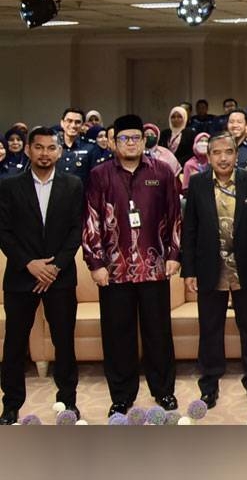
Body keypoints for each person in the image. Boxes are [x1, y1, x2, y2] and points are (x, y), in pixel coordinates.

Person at [82, 114, 181, 416]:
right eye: (124, 138)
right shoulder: (100, 174)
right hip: (113, 270)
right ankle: (122, 396)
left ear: (144, 140)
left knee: (158, 333)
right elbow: (91, 219)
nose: (130, 143)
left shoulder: (162, 172)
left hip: (154, 267)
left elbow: (175, 215)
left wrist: (175, 255)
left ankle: (163, 391)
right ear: (113, 142)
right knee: (117, 335)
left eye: (136, 138)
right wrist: (95, 261)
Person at [0, 127, 84, 425]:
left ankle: (68, 400)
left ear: (59, 152)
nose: (45, 153)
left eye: (51, 148)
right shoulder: (9, 186)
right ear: (27, 150)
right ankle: (11, 405)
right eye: (39, 147)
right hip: (21, 278)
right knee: (14, 344)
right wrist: (30, 264)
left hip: (60, 278)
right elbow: (4, 233)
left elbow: (77, 230)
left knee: (64, 341)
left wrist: (56, 266)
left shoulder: (73, 185)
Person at [180, 133, 247, 409]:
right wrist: (189, 271)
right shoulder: (197, 184)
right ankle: (209, 385)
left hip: (245, 269)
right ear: (208, 156)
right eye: (216, 153)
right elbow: (190, 230)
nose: (223, 158)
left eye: (228, 152)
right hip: (210, 268)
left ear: (236, 154)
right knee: (210, 330)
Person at [56, 108, 98, 185]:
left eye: (77, 122)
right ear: (62, 123)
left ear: (82, 125)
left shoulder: (90, 147)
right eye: (69, 121)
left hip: (80, 195)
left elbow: (94, 178)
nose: (73, 125)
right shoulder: (53, 146)